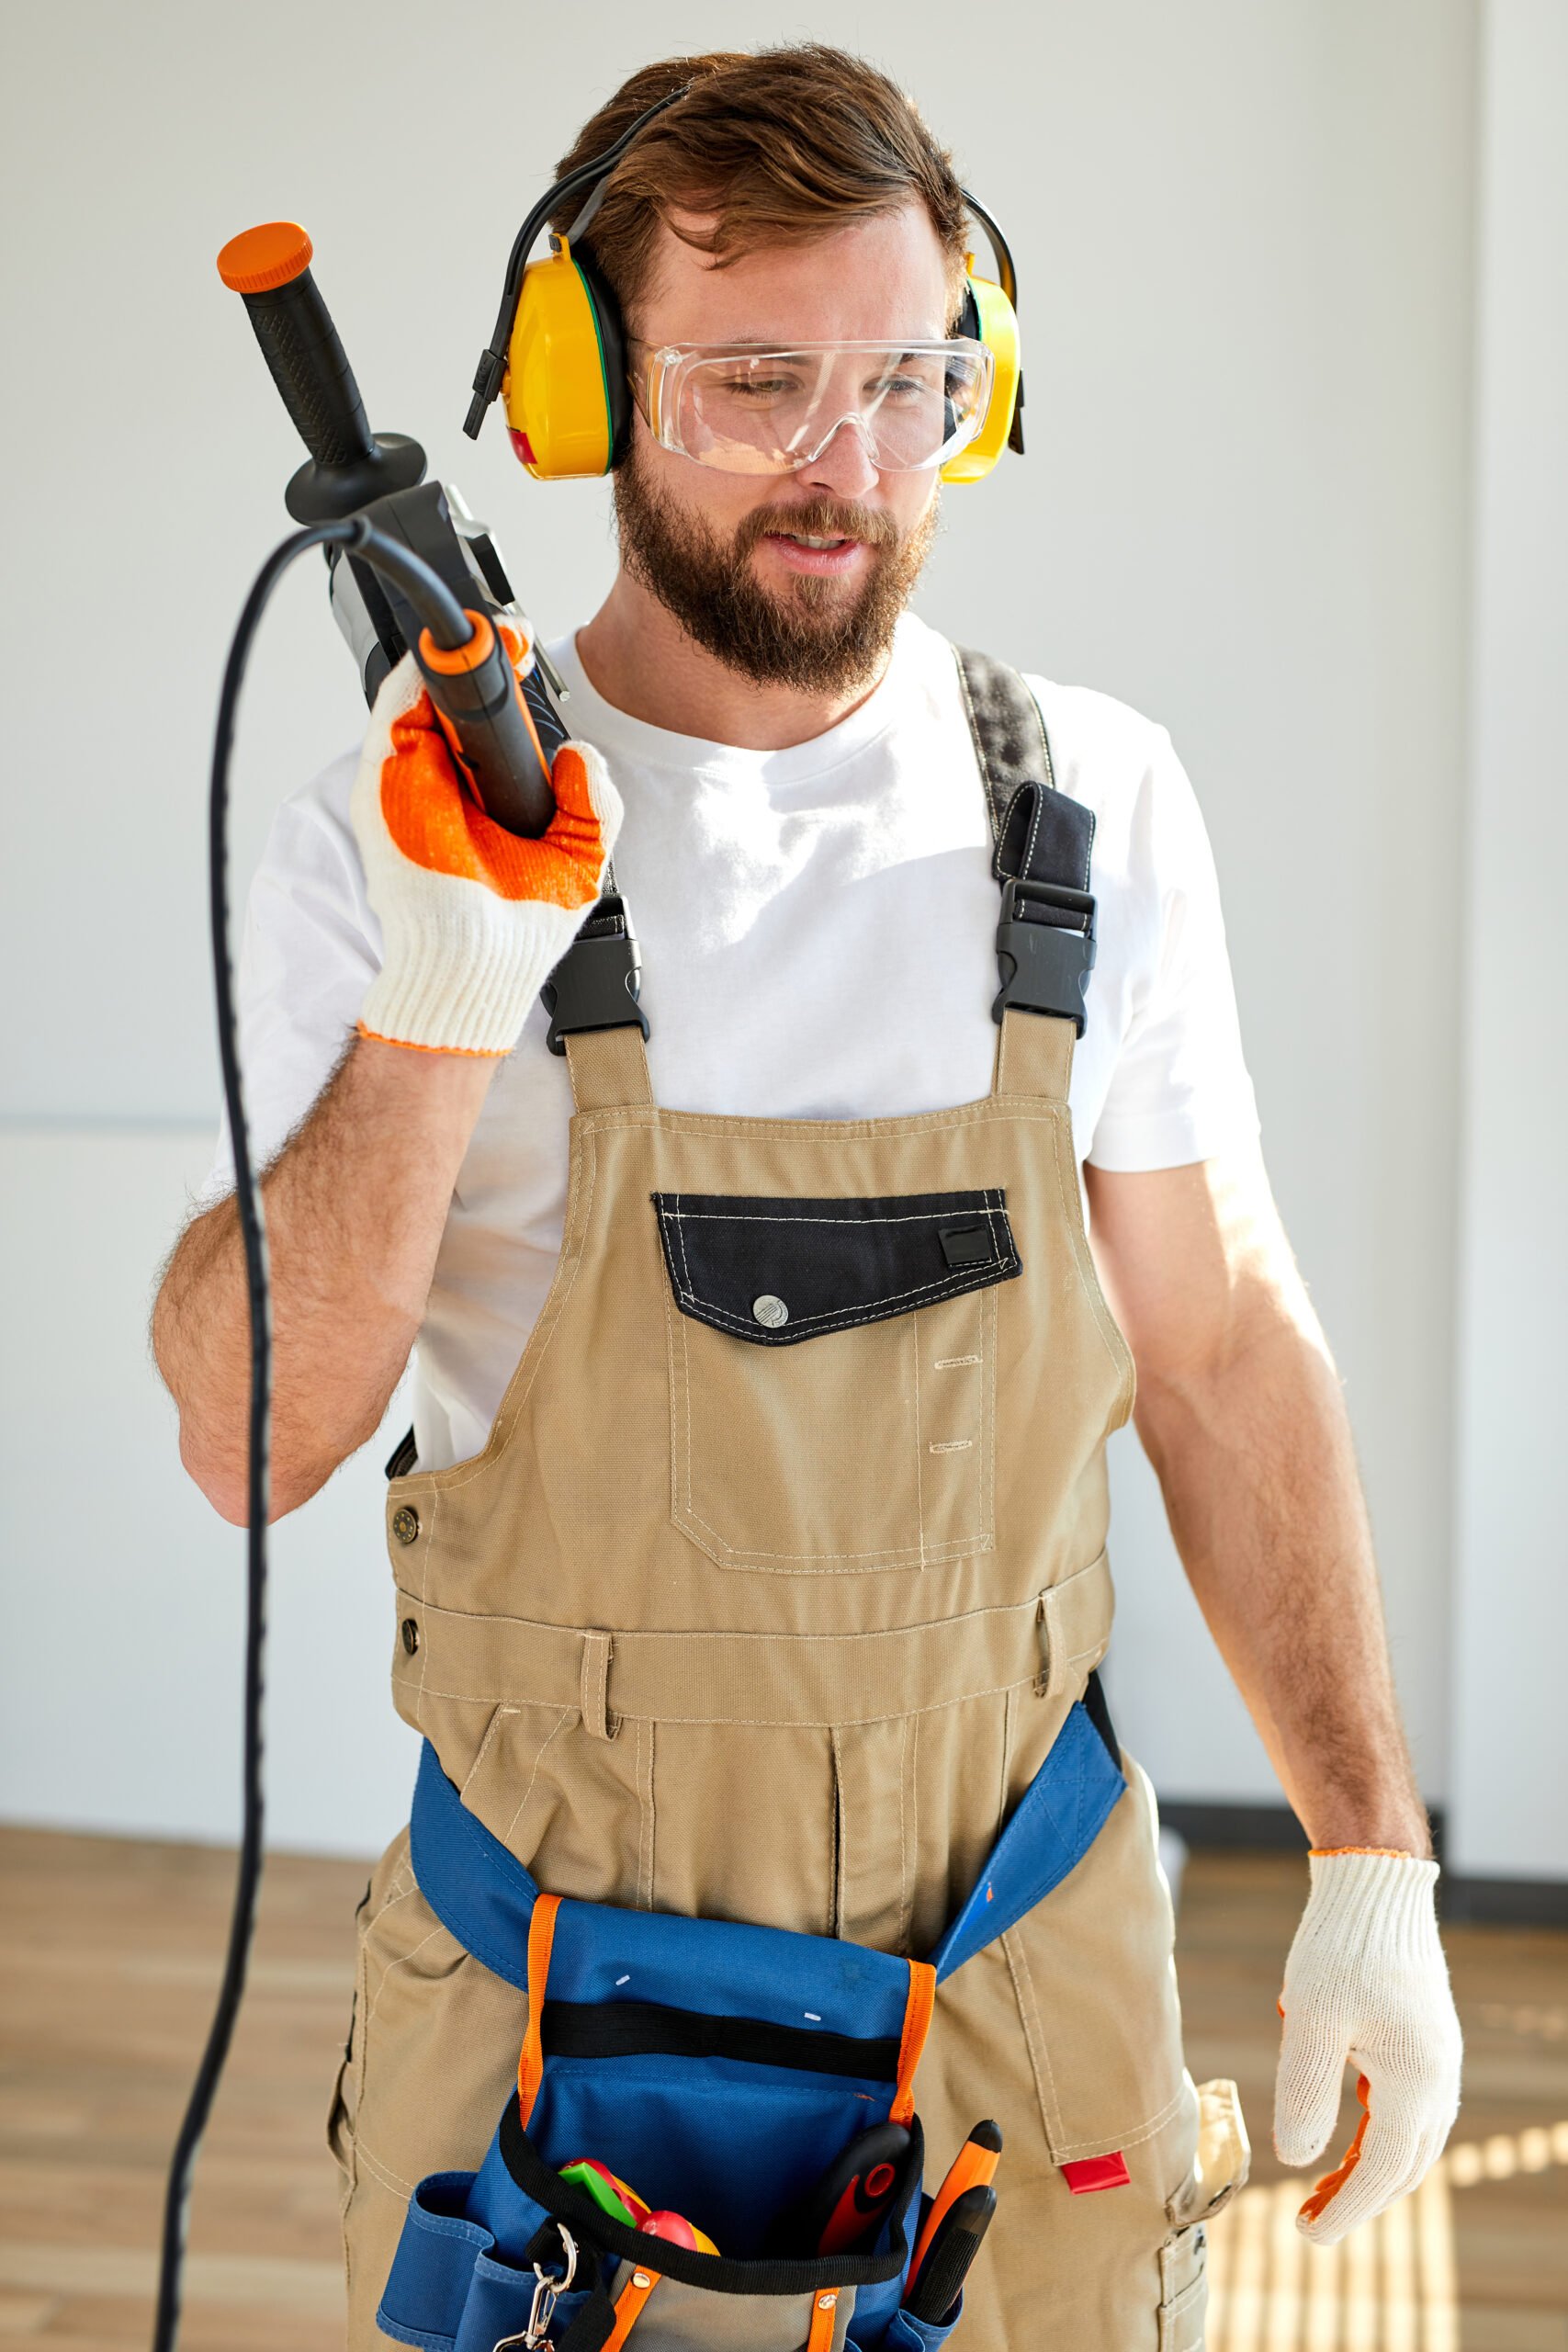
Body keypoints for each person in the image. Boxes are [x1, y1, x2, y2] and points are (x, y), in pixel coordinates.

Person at [152, 43, 1461, 2350]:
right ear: (576, 385)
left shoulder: (1096, 807)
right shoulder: (402, 824)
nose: (842, 461)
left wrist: (1363, 1847)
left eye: (902, 378)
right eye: (755, 380)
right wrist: (444, 1001)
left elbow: (1223, 1345)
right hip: (553, 2038)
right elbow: (247, 1429)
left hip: (1014, 2016)